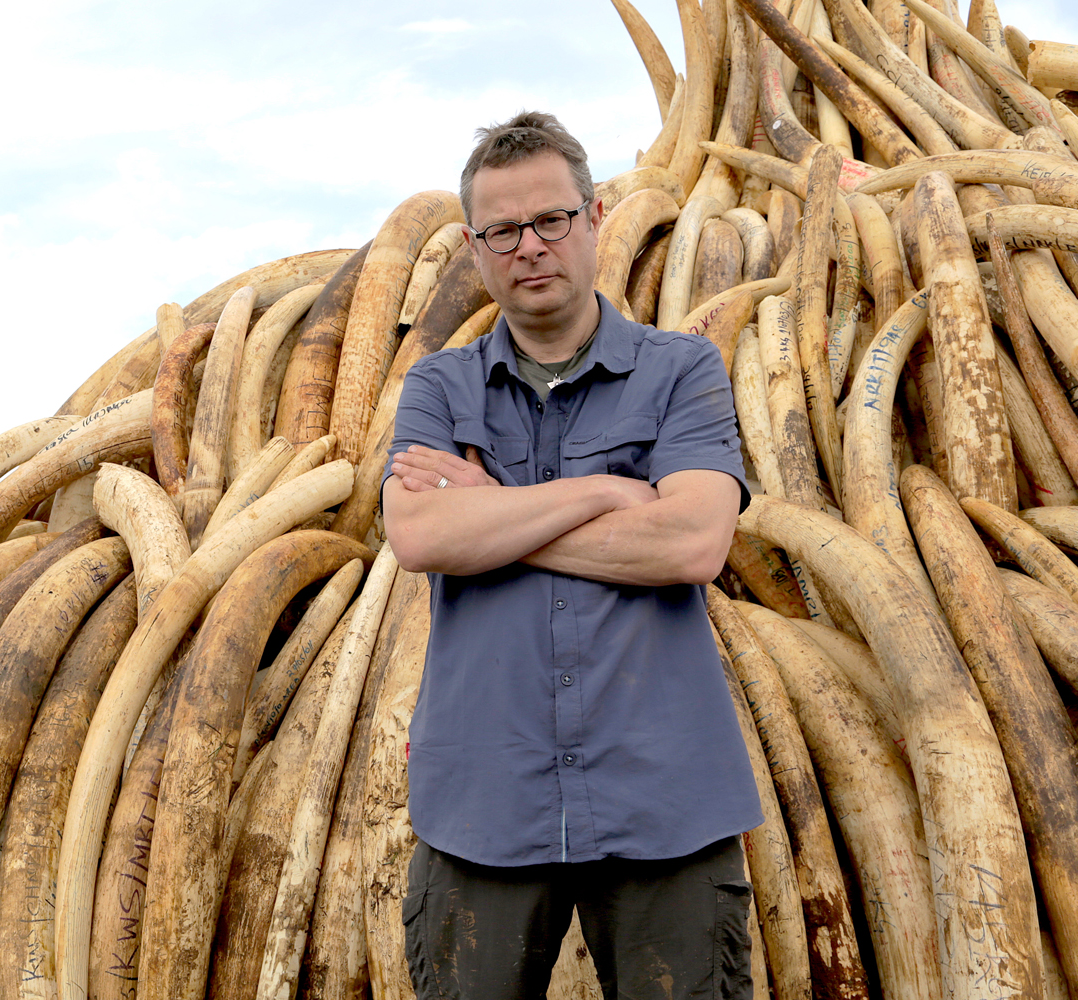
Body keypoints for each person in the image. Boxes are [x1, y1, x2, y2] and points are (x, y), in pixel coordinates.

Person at [381, 109, 762, 1000]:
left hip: (667, 800)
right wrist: (607, 492)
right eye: (502, 230)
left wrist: (492, 510)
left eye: (551, 219)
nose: (530, 246)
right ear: (475, 249)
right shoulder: (438, 386)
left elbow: (693, 542)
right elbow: (422, 535)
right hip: (483, 803)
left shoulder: (683, 370)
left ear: (593, 220)